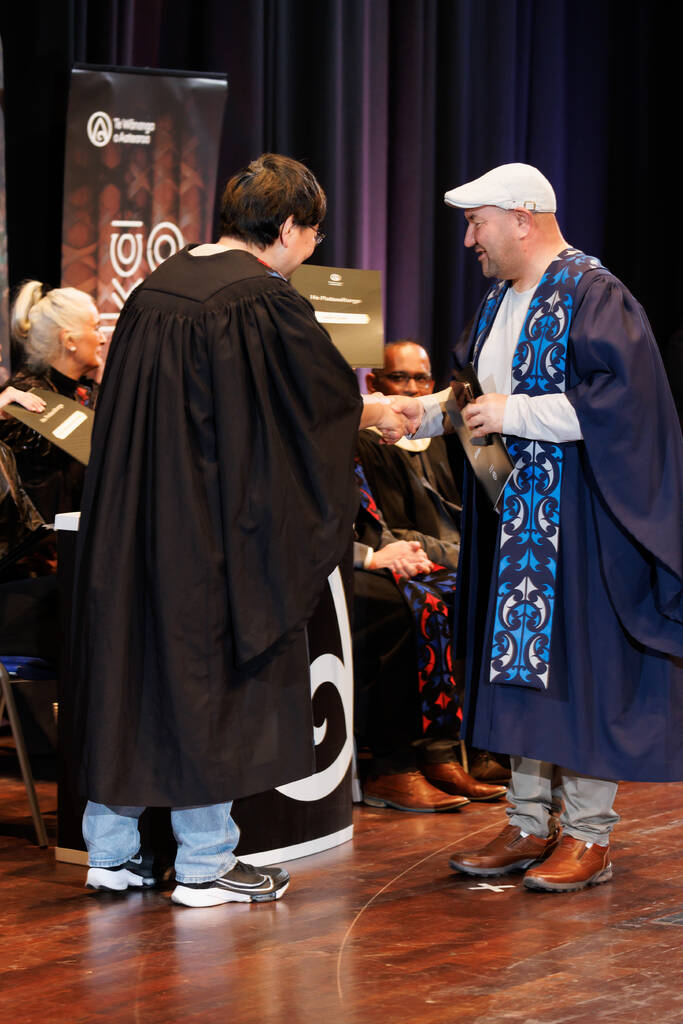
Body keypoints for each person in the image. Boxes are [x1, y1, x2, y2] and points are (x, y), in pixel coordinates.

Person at [71, 153, 410, 908]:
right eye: (312, 236)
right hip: (209, 532)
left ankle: (113, 853)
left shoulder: (152, 289)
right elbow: (315, 411)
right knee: (206, 680)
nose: (312, 251)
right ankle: (203, 862)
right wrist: (375, 414)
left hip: (131, 522)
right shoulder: (261, 300)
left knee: (133, 669)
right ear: (286, 226)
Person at [404, 163, 683, 892]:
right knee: (521, 668)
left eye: (478, 223)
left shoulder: (594, 294)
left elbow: (624, 405)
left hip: (582, 519)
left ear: (522, 219)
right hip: (516, 520)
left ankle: (587, 834)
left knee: (580, 671)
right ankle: (528, 822)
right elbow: (479, 387)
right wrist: (430, 411)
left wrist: (517, 415)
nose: (470, 240)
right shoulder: (501, 297)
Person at [354, 341, 506, 809]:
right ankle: (430, 754)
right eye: (401, 379)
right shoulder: (369, 440)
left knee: (493, 596)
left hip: (448, 555)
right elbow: (387, 529)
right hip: (408, 556)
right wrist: (466, 557)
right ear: (374, 384)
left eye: (422, 379)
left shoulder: (446, 437)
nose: (415, 388)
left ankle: (479, 747)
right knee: (430, 602)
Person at [0, 282, 103, 521]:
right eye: (96, 328)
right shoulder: (26, 399)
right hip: (41, 553)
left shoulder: (90, 391)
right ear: (69, 340)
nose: (102, 339)